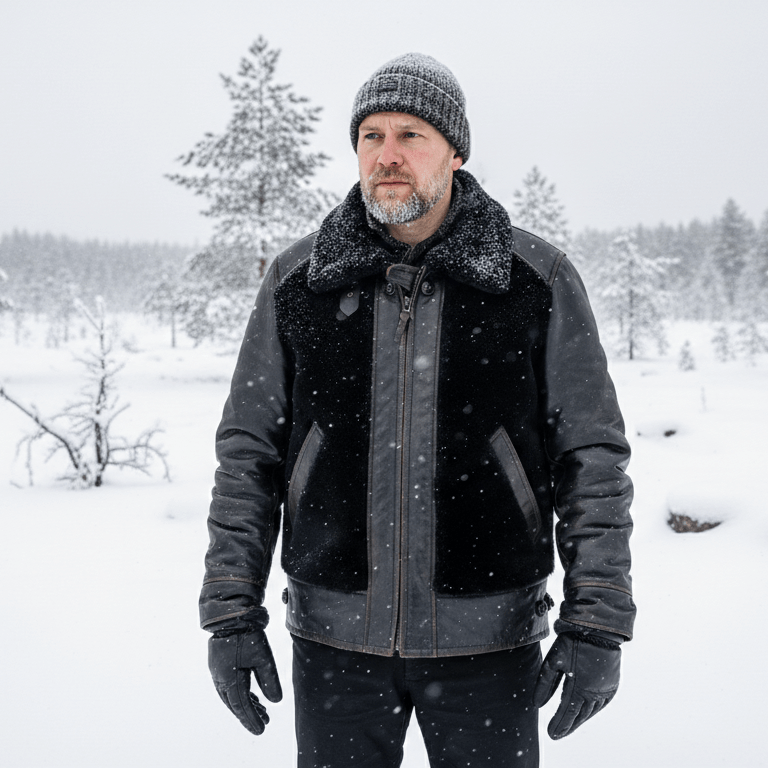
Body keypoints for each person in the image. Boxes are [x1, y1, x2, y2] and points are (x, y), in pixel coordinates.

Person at [200, 52, 635, 767]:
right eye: (372, 136)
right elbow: (249, 455)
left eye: (411, 135)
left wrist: (597, 624)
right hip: (333, 643)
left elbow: (591, 459)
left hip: (489, 642)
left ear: (455, 152)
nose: (388, 156)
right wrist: (229, 611)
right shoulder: (298, 284)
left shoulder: (533, 281)